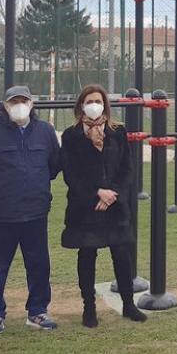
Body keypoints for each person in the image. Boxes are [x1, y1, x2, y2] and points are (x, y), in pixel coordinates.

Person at [0, 86, 61, 333]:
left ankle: (38, 311)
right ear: (5, 105)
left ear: (31, 104)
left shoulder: (45, 132)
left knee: (39, 263)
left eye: (24, 100)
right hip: (3, 212)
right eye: (14, 101)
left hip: (36, 210)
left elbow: (54, 166)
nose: (19, 105)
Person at [60, 84, 148, 326]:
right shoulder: (71, 135)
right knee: (87, 254)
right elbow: (71, 174)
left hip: (115, 207)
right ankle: (89, 308)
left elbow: (127, 169)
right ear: (81, 105)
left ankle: (129, 305)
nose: (94, 105)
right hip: (84, 208)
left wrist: (113, 194)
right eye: (89, 101)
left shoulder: (118, 132)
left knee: (122, 254)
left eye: (98, 100)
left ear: (105, 104)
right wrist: (96, 193)